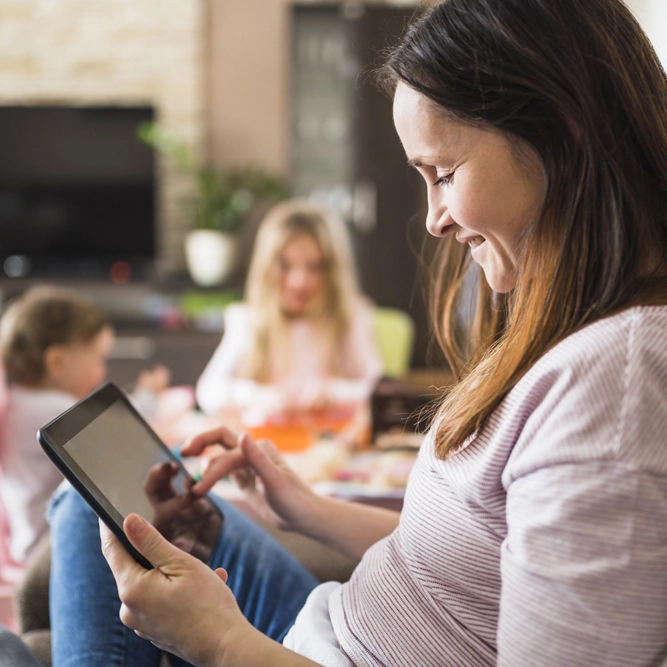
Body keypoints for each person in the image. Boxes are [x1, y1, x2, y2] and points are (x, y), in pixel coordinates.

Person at [45, 0, 667, 665]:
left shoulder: (615, 385)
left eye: (445, 174)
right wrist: (303, 507)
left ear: (562, 133)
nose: (432, 219)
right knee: (101, 501)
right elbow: (471, 559)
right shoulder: (580, 333)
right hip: (335, 626)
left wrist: (222, 642)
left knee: (96, 518)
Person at [0, 286, 170, 564]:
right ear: (57, 362)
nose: (102, 370)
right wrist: (149, 395)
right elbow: (122, 429)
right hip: (49, 551)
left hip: (35, 543)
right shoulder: (51, 411)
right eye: (98, 358)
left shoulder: (23, 402)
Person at [195, 198, 383, 418]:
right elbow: (208, 391)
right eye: (285, 266)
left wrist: (334, 393)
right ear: (266, 267)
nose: (298, 282)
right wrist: (254, 394)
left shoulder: (350, 318)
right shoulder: (248, 321)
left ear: (333, 271)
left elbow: (378, 389)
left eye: (314, 267)